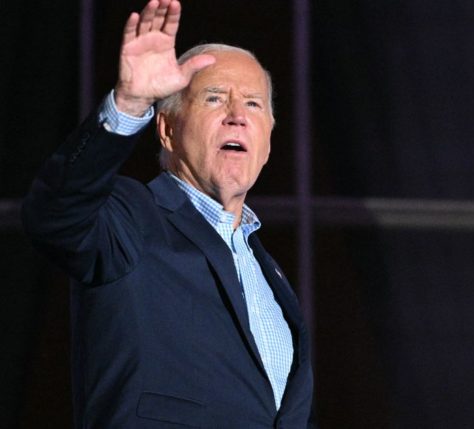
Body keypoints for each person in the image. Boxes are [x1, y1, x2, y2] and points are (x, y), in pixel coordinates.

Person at [22, 0, 314, 427]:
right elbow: (56, 214)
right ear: (167, 129)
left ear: (269, 139)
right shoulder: (131, 219)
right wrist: (130, 104)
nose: (237, 116)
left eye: (253, 104)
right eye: (215, 99)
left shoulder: (269, 271)